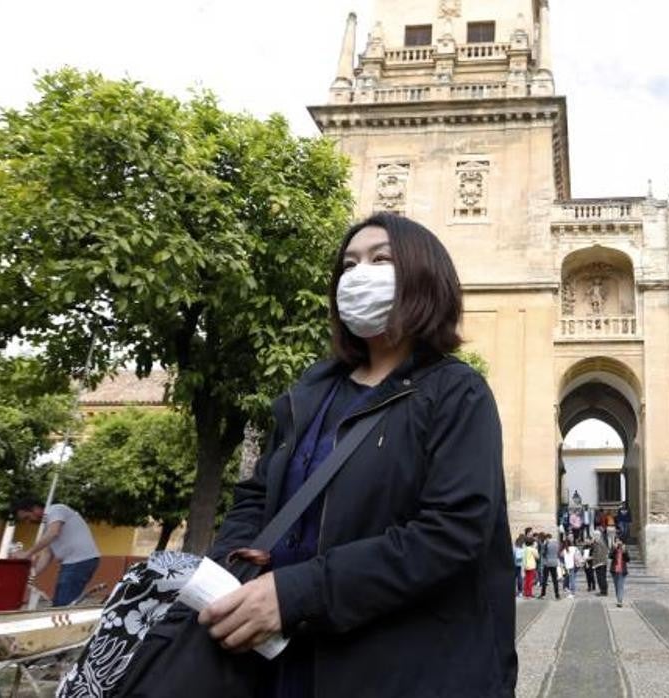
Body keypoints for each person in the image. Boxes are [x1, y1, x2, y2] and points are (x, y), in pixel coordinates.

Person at [201, 213, 517, 696]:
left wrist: (298, 593)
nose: (358, 274)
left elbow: (450, 534)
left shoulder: (457, 392)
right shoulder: (310, 393)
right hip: (286, 661)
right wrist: (232, 570)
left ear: (423, 277)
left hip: (402, 668)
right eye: (348, 265)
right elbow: (256, 495)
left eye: (380, 259)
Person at [12, 497, 100, 607]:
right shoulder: (48, 525)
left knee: (63, 604)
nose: (28, 522)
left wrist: (27, 553)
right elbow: (47, 554)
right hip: (72, 563)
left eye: (27, 517)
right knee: (61, 602)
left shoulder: (56, 510)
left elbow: (53, 533)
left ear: (35, 509)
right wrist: (32, 573)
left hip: (80, 561)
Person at [538, 533, 561, 600]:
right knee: (555, 580)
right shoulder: (556, 543)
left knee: (545, 579)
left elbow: (543, 553)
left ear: (547, 538)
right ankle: (557, 595)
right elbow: (558, 552)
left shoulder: (546, 543)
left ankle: (543, 594)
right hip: (554, 563)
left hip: (547, 563)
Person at [610, 538, 631, 607]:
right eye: (616, 541)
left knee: (620, 586)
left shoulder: (624, 549)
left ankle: (620, 601)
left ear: (622, 542)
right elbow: (610, 556)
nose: (618, 542)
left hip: (622, 571)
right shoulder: (614, 549)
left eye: (619, 541)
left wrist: (624, 551)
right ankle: (618, 599)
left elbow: (628, 559)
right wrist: (614, 549)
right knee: (616, 586)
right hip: (614, 570)